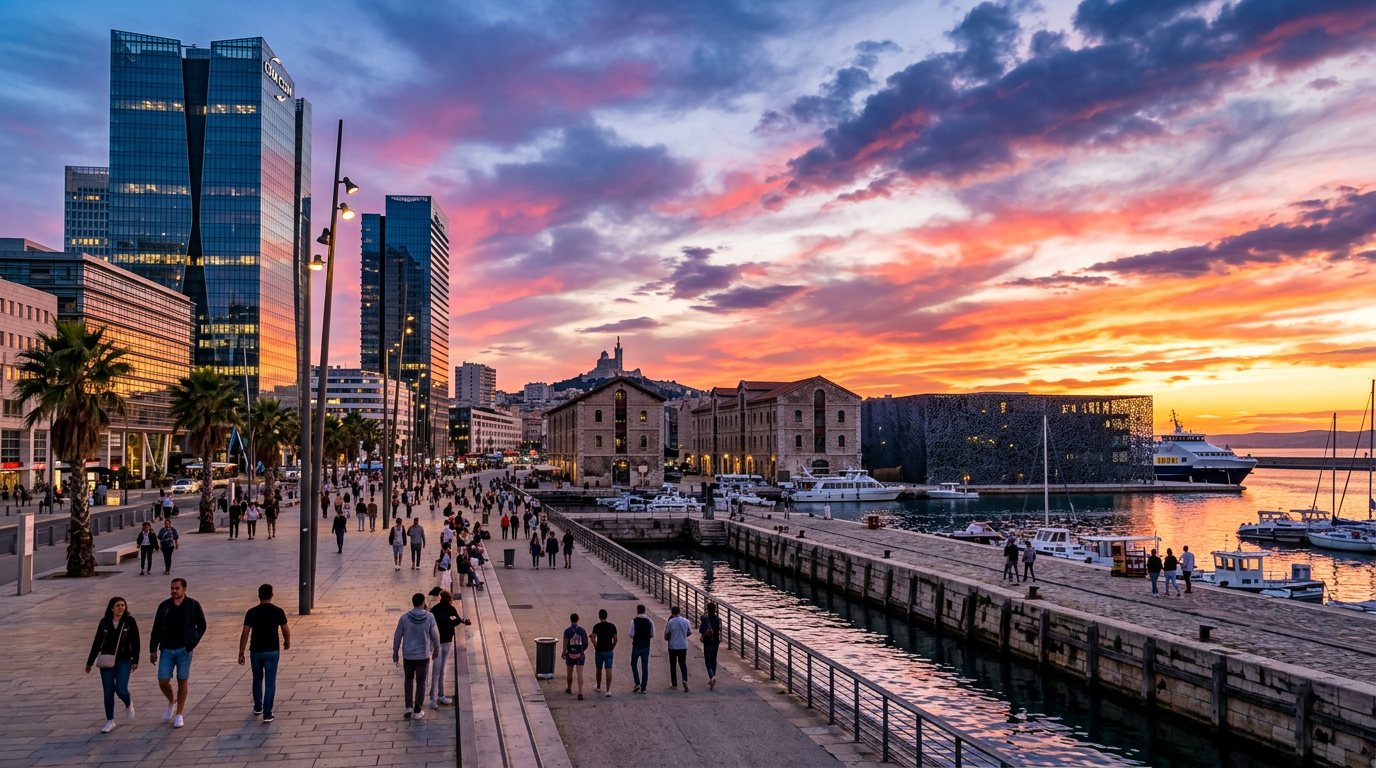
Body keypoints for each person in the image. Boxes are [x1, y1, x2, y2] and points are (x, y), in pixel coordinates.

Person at [149, 578, 207, 729]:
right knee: (163, 680)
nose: (174, 591)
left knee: (182, 680)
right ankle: (171, 701)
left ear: (184, 589)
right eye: (172, 588)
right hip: (167, 649)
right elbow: (156, 628)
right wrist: (153, 649)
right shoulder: (164, 606)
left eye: (177, 588)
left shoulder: (193, 605)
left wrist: (193, 640)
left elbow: (202, 624)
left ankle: (179, 714)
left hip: (184, 649)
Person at [87, 596, 140, 733]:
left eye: (123, 605)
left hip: (124, 660)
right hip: (107, 660)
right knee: (108, 692)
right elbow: (97, 642)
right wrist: (90, 662)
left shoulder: (129, 621)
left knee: (121, 689)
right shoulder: (104, 622)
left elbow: (136, 641)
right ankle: (110, 721)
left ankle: (128, 703)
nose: (121, 608)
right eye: (118, 605)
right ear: (111, 608)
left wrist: (135, 660)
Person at [238, 584, 289, 722]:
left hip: (256, 650)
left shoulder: (251, 612)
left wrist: (241, 652)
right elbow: (285, 629)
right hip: (272, 650)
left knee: (257, 678)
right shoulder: (278, 611)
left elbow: (245, 634)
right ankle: (268, 712)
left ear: (258, 595)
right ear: (272, 595)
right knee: (270, 681)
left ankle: (257, 706)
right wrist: (287, 641)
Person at [393, 592, 440, 720]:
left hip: (408, 655)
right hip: (423, 655)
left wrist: (395, 652)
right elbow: (436, 636)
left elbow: (397, 636)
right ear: (423, 602)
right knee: (421, 682)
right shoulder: (429, 617)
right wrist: (437, 649)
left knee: (408, 679)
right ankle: (418, 709)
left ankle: (408, 707)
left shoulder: (404, 618)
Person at [428, 590, 469, 710]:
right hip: (440, 642)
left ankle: (439, 695)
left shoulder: (438, 609)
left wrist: (450, 622)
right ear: (449, 598)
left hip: (442, 641)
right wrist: (449, 622)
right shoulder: (442, 610)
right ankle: (433, 698)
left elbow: (456, 619)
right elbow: (455, 620)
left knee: (440, 669)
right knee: (438, 670)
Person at [664, 605, 692, 691]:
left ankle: (674, 683)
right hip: (683, 645)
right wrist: (683, 635)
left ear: (672, 613)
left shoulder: (671, 622)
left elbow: (667, 633)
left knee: (673, 665)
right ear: (679, 612)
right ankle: (685, 680)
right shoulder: (686, 621)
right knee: (683, 663)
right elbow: (689, 632)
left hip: (672, 646)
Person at [628, 604, 653, 694]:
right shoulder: (649, 621)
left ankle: (637, 682)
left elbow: (631, 634)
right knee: (644, 666)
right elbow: (652, 634)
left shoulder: (634, 621)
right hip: (646, 646)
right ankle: (644, 687)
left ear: (637, 611)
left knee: (633, 663)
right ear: (644, 611)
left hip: (636, 646)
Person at [563, 613, 589, 700]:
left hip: (570, 654)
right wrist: (582, 650)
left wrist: (565, 651)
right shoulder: (582, 630)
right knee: (580, 674)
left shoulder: (567, 631)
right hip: (579, 654)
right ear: (578, 619)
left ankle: (569, 688)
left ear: (570, 619)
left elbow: (565, 643)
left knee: (569, 673)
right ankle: (580, 692)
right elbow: (585, 643)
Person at [591, 609, 617, 697]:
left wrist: (595, 646)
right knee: (609, 669)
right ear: (607, 616)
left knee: (599, 668)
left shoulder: (596, 626)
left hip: (599, 650)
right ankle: (608, 690)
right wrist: (612, 646)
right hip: (609, 650)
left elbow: (593, 637)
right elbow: (616, 639)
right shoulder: (612, 626)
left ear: (599, 616)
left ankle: (598, 685)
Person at [699, 601, 721, 690]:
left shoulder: (705, 619)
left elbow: (701, 630)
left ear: (707, 610)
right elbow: (718, 629)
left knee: (708, 662)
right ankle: (713, 675)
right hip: (715, 642)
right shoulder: (717, 619)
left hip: (707, 642)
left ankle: (712, 677)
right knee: (713, 660)